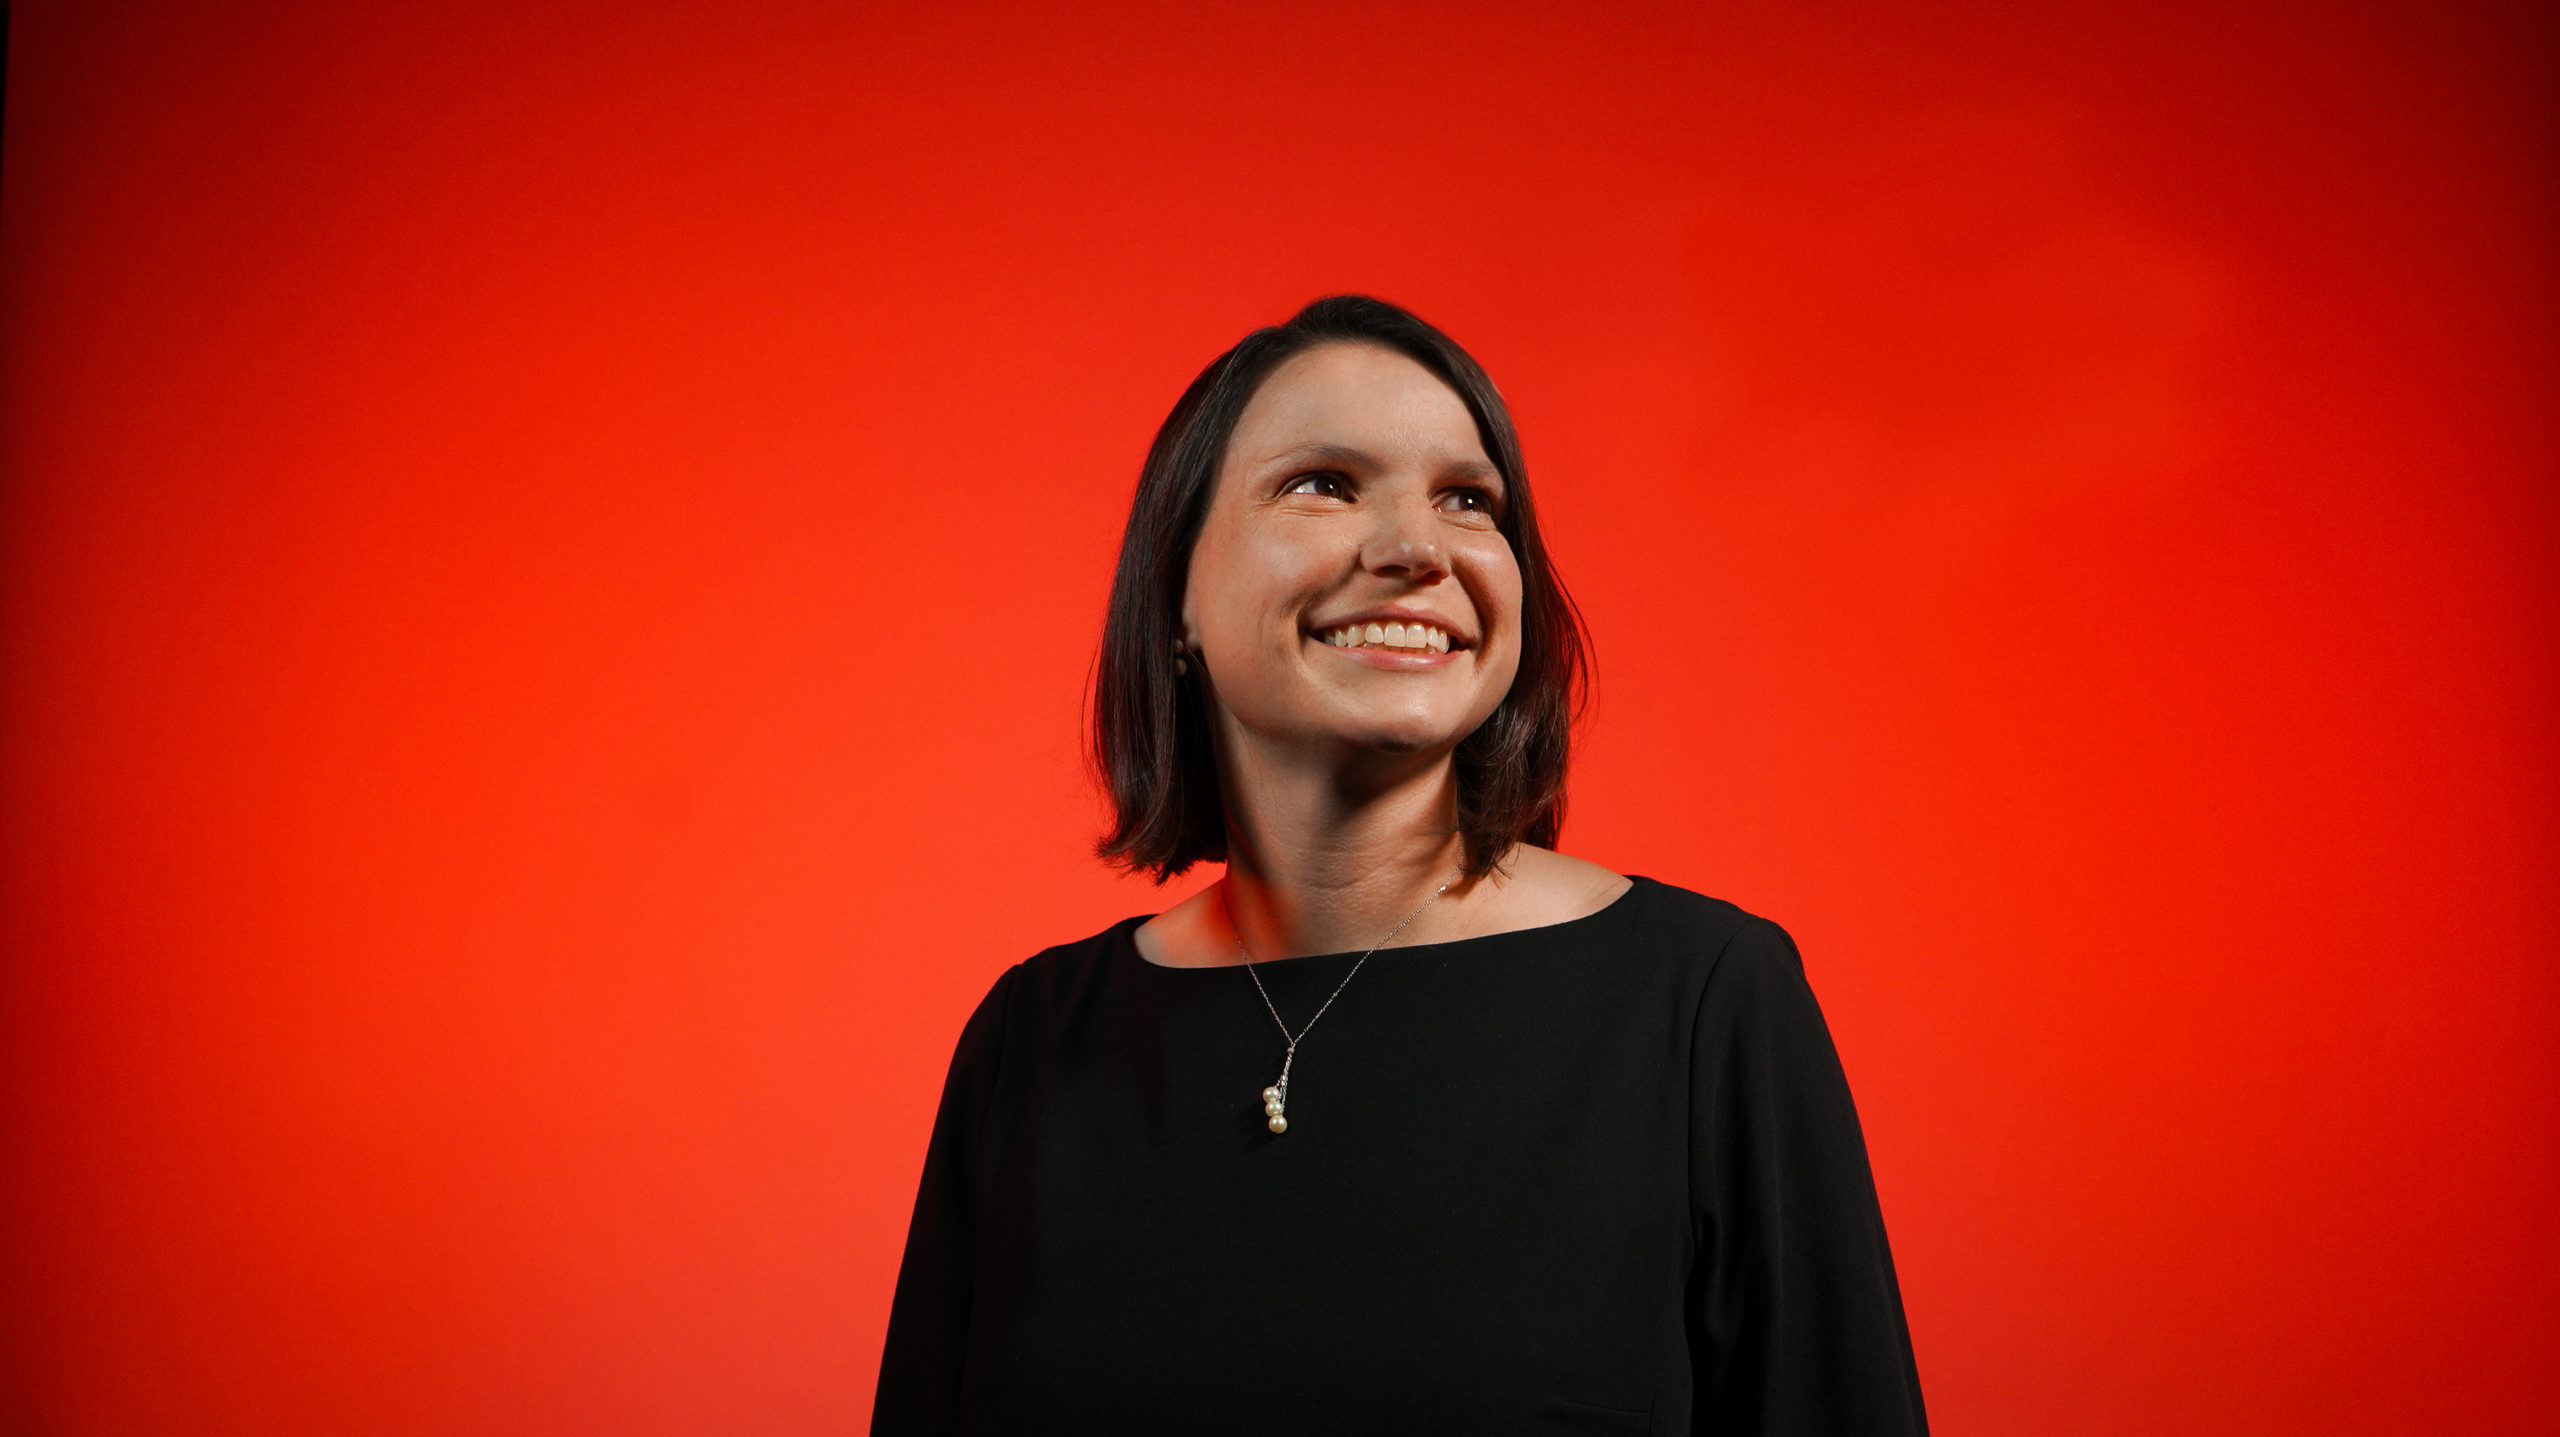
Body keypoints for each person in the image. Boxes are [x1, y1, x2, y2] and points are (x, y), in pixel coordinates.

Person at [871, 295, 1927, 1434]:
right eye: (1323, 482)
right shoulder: (1031, 1042)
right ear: (1175, 593)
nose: (1417, 549)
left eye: (1468, 501)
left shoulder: (1705, 1001)